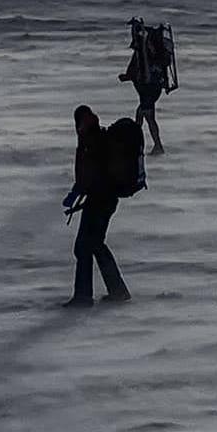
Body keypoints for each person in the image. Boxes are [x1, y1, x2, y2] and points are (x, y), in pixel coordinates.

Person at [61, 105, 130, 307]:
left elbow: (88, 173)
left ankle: (83, 297)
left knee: (84, 246)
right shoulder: (96, 136)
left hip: (100, 200)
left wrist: (76, 192)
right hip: (104, 199)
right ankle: (118, 291)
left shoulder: (90, 140)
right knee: (94, 244)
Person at [119, 23, 169, 155]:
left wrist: (127, 77)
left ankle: (156, 145)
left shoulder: (142, 52)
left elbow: (136, 72)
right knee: (140, 115)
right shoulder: (150, 51)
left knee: (148, 116)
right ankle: (137, 144)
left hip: (147, 89)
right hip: (153, 88)